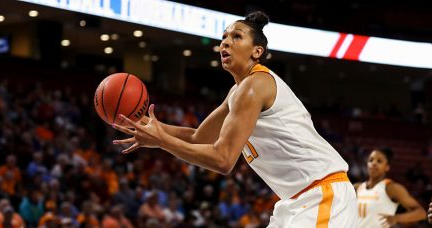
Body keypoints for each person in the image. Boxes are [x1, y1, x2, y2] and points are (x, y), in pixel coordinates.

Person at [113, 11, 358, 227]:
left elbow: (222, 159)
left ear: (257, 51)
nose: (226, 43)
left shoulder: (255, 86)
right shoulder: (238, 92)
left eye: (236, 37)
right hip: (297, 200)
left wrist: (163, 141)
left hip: (322, 194)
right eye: (224, 37)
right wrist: (148, 126)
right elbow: (200, 137)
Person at [354, 148, 426, 228]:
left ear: (387, 167)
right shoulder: (357, 188)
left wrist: (396, 218)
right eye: (371, 160)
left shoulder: (391, 188)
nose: (374, 163)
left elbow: (421, 213)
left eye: (379, 161)